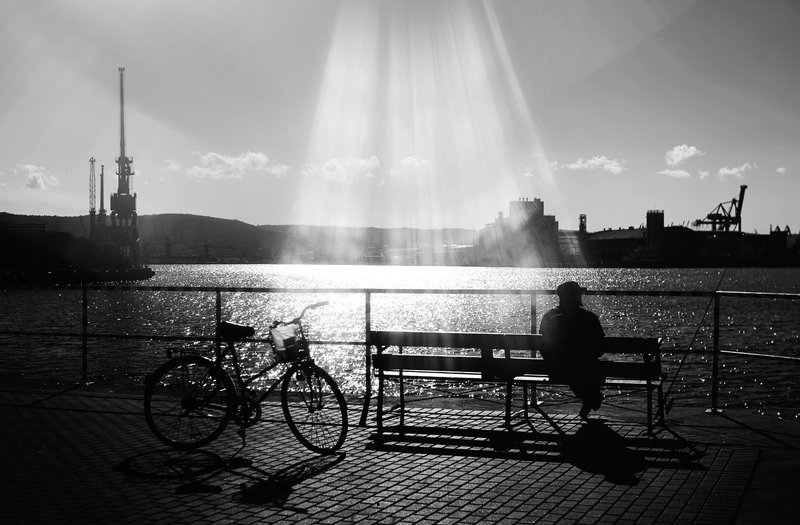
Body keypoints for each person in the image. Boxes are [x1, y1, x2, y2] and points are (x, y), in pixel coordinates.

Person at [538, 281, 606, 419]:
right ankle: (591, 396)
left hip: (555, 369)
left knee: (570, 365)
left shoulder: (548, 317)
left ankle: (590, 397)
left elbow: (544, 347)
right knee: (588, 367)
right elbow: (600, 349)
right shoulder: (589, 317)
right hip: (585, 368)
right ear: (576, 296)